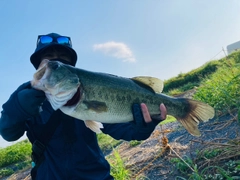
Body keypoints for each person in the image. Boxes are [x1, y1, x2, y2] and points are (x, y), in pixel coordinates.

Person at [0, 33, 167, 180]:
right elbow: (8, 133)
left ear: (72, 68)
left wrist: (142, 128)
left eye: (62, 59)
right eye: (48, 57)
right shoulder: (23, 96)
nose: (53, 61)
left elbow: (119, 128)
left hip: (96, 176)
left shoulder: (92, 90)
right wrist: (19, 107)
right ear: (38, 65)